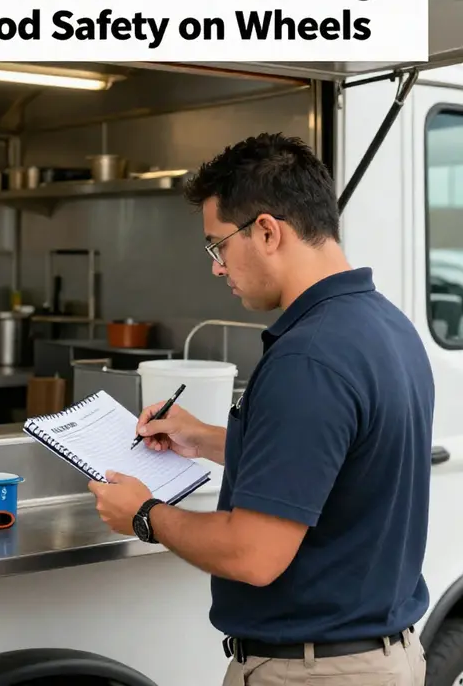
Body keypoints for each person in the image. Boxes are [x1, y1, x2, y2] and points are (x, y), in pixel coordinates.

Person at [89, 133, 433, 685]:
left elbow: (253, 554)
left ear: (268, 231)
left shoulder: (309, 358)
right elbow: (333, 461)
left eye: (217, 246)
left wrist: (144, 514)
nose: (217, 268)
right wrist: (202, 438)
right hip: (381, 658)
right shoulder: (384, 326)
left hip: (317, 673)